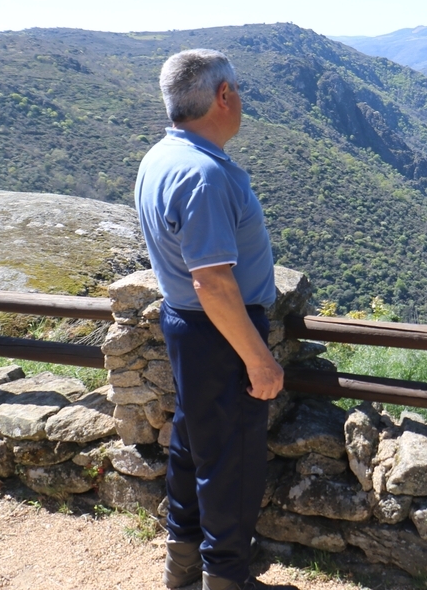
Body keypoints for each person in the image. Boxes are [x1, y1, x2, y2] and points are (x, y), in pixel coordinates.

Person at [135, 48, 297, 590]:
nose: (242, 100)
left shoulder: (160, 157)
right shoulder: (205, 174)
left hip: (183, 323)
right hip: (221, 331)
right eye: (239, 91)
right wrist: (259, 358)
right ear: (223, 96)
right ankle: (227, 577)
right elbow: (214, 282)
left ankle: (181, 566)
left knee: (193, 445)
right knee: (232, 460)